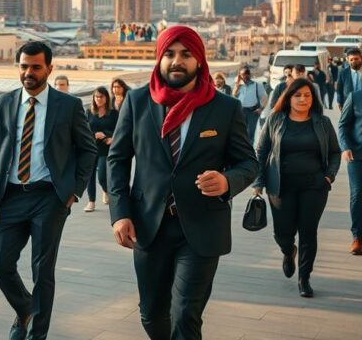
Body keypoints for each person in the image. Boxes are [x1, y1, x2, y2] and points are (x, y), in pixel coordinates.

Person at [107, 25, 258, 340]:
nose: (177, 61)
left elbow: (249, 163)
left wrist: (227, 181)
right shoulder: (137, 102)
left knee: (185, 315)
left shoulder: (225, 108)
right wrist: (120, 213)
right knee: (151, 315)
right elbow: (117, 160)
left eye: (186, 54)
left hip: (201, 227)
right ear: (159, 59)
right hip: (149, 226)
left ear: (199, 61)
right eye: (170, 54)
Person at [0, 41, 97, 340]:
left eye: (35, 67)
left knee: (42, 271)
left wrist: (73, 192)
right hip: (10, 196)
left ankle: (36, 335)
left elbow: (88, 150)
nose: (28, 72)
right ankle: (26, 311)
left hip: (49, 197)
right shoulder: (2, 103)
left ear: (49, 68)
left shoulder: (68, 106)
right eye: (23, 66)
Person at [253, 78, 340, 297]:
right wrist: (258, 183)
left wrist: (329, 176)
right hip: (280, 187)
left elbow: (334, 152)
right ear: (289, 97)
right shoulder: (275, 120)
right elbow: (261, 151)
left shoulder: (322, 123)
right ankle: (287, 250)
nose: (303, 99)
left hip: (315, 187)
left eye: (307, 95)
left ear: (313, 99)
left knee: (308, 232)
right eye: (298, 95)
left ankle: (304, 278)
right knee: (282, 232)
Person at [338, 74, 362, 255]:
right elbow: (343, 126)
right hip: (357, 155)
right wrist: (345, 147)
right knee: (357, 193)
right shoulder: (355, 97)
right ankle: (357, 237)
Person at [85, 86, 118, 211]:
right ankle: (91, 202)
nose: (98, 99)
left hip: (106, 148)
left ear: (106, 98)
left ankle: (105, 190)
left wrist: (111, 138)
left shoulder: (114, 113)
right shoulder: (89, 112)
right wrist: (94, 135)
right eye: (96, 96)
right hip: (91, 147)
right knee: (90, 176)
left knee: (102, 176)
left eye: (101, 96)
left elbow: (119, 130)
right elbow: (83, 130)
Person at [233, 66, 267, 143]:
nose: (245, 76)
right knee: (240, 133)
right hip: (240, 112)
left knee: (251, 133)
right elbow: (233, 97)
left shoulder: (257, 85)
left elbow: (264, 98)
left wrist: (261, 109)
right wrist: (237, 86)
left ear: (250, 74)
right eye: (243, 74)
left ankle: (249, 151)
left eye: (247, 73)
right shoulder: (238, 85)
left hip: (253, 112)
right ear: (240, 75)